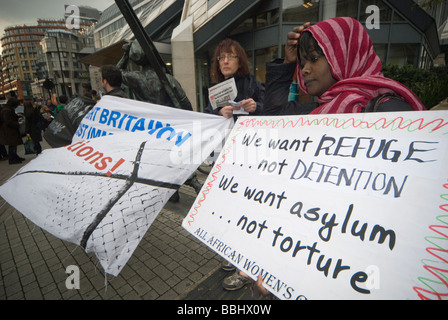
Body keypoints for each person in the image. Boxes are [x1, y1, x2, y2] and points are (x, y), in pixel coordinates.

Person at [263, 17, 426, 116]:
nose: (304, 70)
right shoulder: (318, 110)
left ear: (344, 58)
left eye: (313, 58)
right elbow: (272, 116)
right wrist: (287, 63)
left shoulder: (389, 111)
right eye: (302, 63)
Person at [205, 38, 264, 120]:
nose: (225, 61)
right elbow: (207, 116)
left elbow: (272, 111)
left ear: (239, 62)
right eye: (222, 57)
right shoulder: (215, 91)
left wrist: (256, 107)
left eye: (231, 56)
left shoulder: (253, 85)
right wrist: (219, 112)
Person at [0, 97, 25, 164]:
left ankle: (15, 157)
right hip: (9, 130)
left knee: (13, 144)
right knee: (12, 145)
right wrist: (17, 124)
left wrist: (17, 116)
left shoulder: (7, 109)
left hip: (10, 130)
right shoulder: (7, 110)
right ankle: (12, 159)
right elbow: (8, 121)